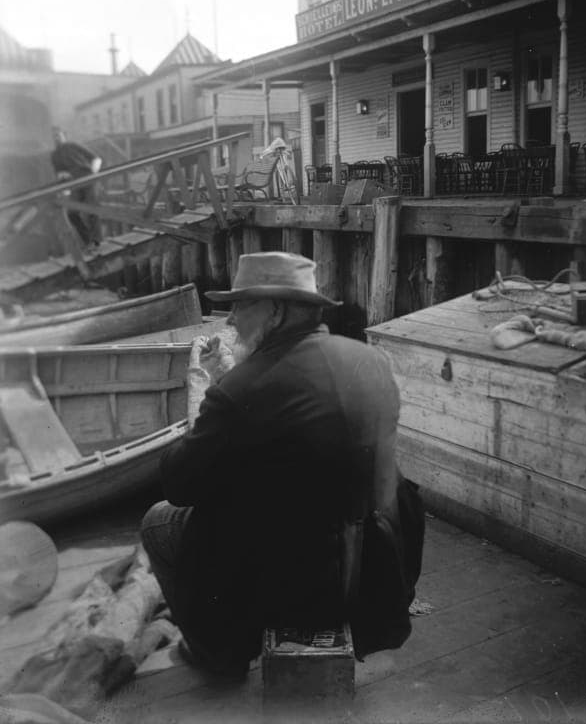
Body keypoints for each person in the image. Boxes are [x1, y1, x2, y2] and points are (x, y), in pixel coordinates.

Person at [141, 251, 425, 678]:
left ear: (274, 311)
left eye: (239, 305)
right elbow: (298, 426)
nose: (230, 319)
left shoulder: (241, 390)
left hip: (295, 584)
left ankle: (218, 654)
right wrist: (234, 379)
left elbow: (180, 485)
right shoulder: (372, 360)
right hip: (376, 574)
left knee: (158, 523)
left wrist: (202, 390)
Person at [50, 127, 102, 247]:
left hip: (88, 177)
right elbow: (60, 174)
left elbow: (95, 158)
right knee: (72, 213)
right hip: (74, 183)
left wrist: (93, 174)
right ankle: (88, 240)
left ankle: (96, 242)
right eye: (54, 136)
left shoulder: (73, 145)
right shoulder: (54, 155)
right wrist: (64, 184)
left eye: (58, 135)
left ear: (64, 135)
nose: (56, 138)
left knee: (91, 209)